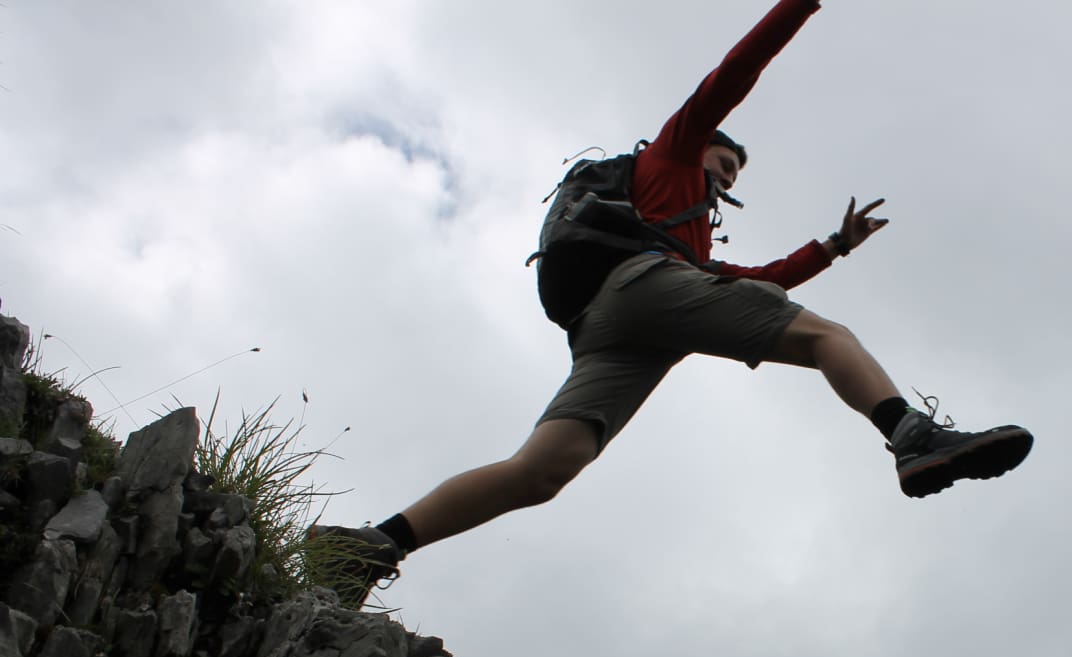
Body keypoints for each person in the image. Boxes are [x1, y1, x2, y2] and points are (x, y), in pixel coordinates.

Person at [313, 0, 1033, 607]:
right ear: (702, 147)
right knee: (826, 337)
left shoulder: (683, 234)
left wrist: (833, 247)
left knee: (543, 469)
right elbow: (735, 73)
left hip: (612, 328)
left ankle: (371, 545)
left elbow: (758, 277)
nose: (728, 177)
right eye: (726, 162)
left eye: (734, 172)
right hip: (643, 289)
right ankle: (912, 436)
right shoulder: (674, 154)